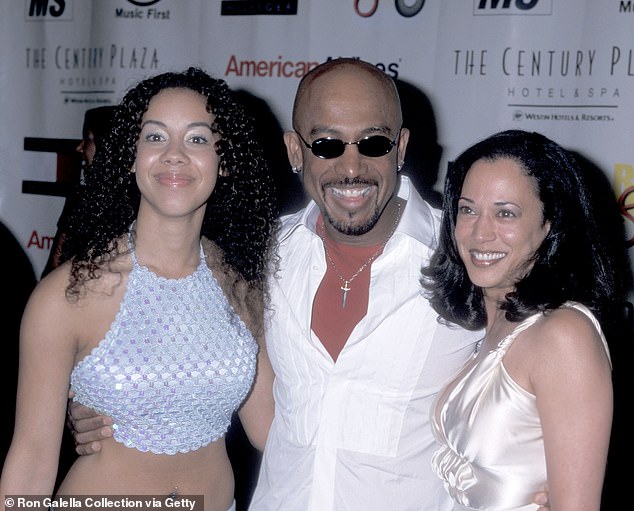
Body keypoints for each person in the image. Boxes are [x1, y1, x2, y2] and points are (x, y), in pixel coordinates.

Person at [68, 58, 551, 511]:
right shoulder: (260, 259)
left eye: (374, 143)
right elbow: (201, 369)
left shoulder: (467, 257)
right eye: (326, 144)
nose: (351, 166)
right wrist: (105, 406)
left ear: (400, 148)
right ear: (295, 151)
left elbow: (547, 367)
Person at [0, 67, 277, 511]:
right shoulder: (67, 297)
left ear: (224, 162)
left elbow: (272, 429)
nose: (174, 154)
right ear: (130, 155)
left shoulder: (242, 286)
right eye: (155, 137)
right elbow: (31, 460)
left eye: (198, 139)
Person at [421, 129, 615, 511]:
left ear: (549, 223)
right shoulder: (488, 332)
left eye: (505, 213)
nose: (480, 232)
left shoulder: (563, 336)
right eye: (468, 209)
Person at [42, 105, 118, 278]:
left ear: (107, 145)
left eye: (87, 139)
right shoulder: (81, 198)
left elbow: (52, 271)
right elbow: (52, 272)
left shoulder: (146, 203)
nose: (79, 148)